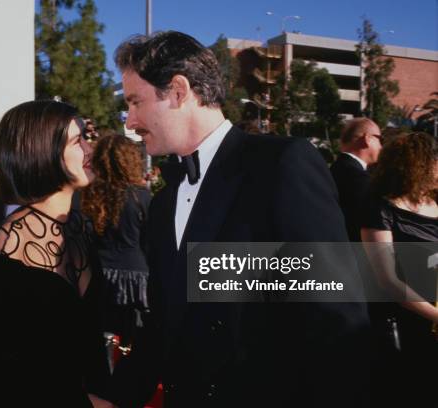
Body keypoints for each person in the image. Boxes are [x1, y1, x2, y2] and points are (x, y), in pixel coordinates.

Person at [111, 31, 371, 407]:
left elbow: (338, 317)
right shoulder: (164, 202)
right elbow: (165, 324)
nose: (130, 121)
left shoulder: (281, 165)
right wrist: (116, 398)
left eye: (135, 102)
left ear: (179, 91)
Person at [0, 100, 112, 407]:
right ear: (43, 152)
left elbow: (89, 342)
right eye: (78, 141)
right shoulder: (8, 245)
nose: (90, 149)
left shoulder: (79, 227)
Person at [361, 132, 438, 405]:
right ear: (420, 163)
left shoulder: (435, 203)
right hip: (408, 322)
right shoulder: (380, 209)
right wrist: (435, 315)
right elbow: (387, 280)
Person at [81, 133, 151, 348]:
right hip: (137, 276)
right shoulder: (142, 196)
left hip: (99, 275)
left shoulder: (88, 194)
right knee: (135, 346)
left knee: (102, 342)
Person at [331, 118, 383, 242]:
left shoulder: (338, 168)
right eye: (380, 139)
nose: (381, 146)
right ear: (367, 139)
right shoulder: (357, 178)